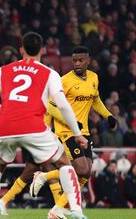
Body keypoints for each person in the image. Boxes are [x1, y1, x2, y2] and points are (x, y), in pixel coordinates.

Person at [0, 32, 88, 219]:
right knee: (62, 162)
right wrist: (77, 133)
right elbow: (62, 104)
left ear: (21, 50)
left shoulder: (3, 70)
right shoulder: (49, 73)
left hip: (4, 126)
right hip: (33, 126)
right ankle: (76, 210)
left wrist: (5, 112)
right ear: (42, 50)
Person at [30, 46, 117, 218]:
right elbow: (51, 106)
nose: (77, 64)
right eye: (74, 60)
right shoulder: (64, 81)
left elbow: (95, 99)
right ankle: (45, 181)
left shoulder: (94, 78)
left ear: (88, 61)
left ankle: (56, 207)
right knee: (82, 169)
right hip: (67, 131)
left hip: (83, 130)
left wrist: (108, 116)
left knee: (85, 174)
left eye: (81, 60)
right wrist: (69, 121)